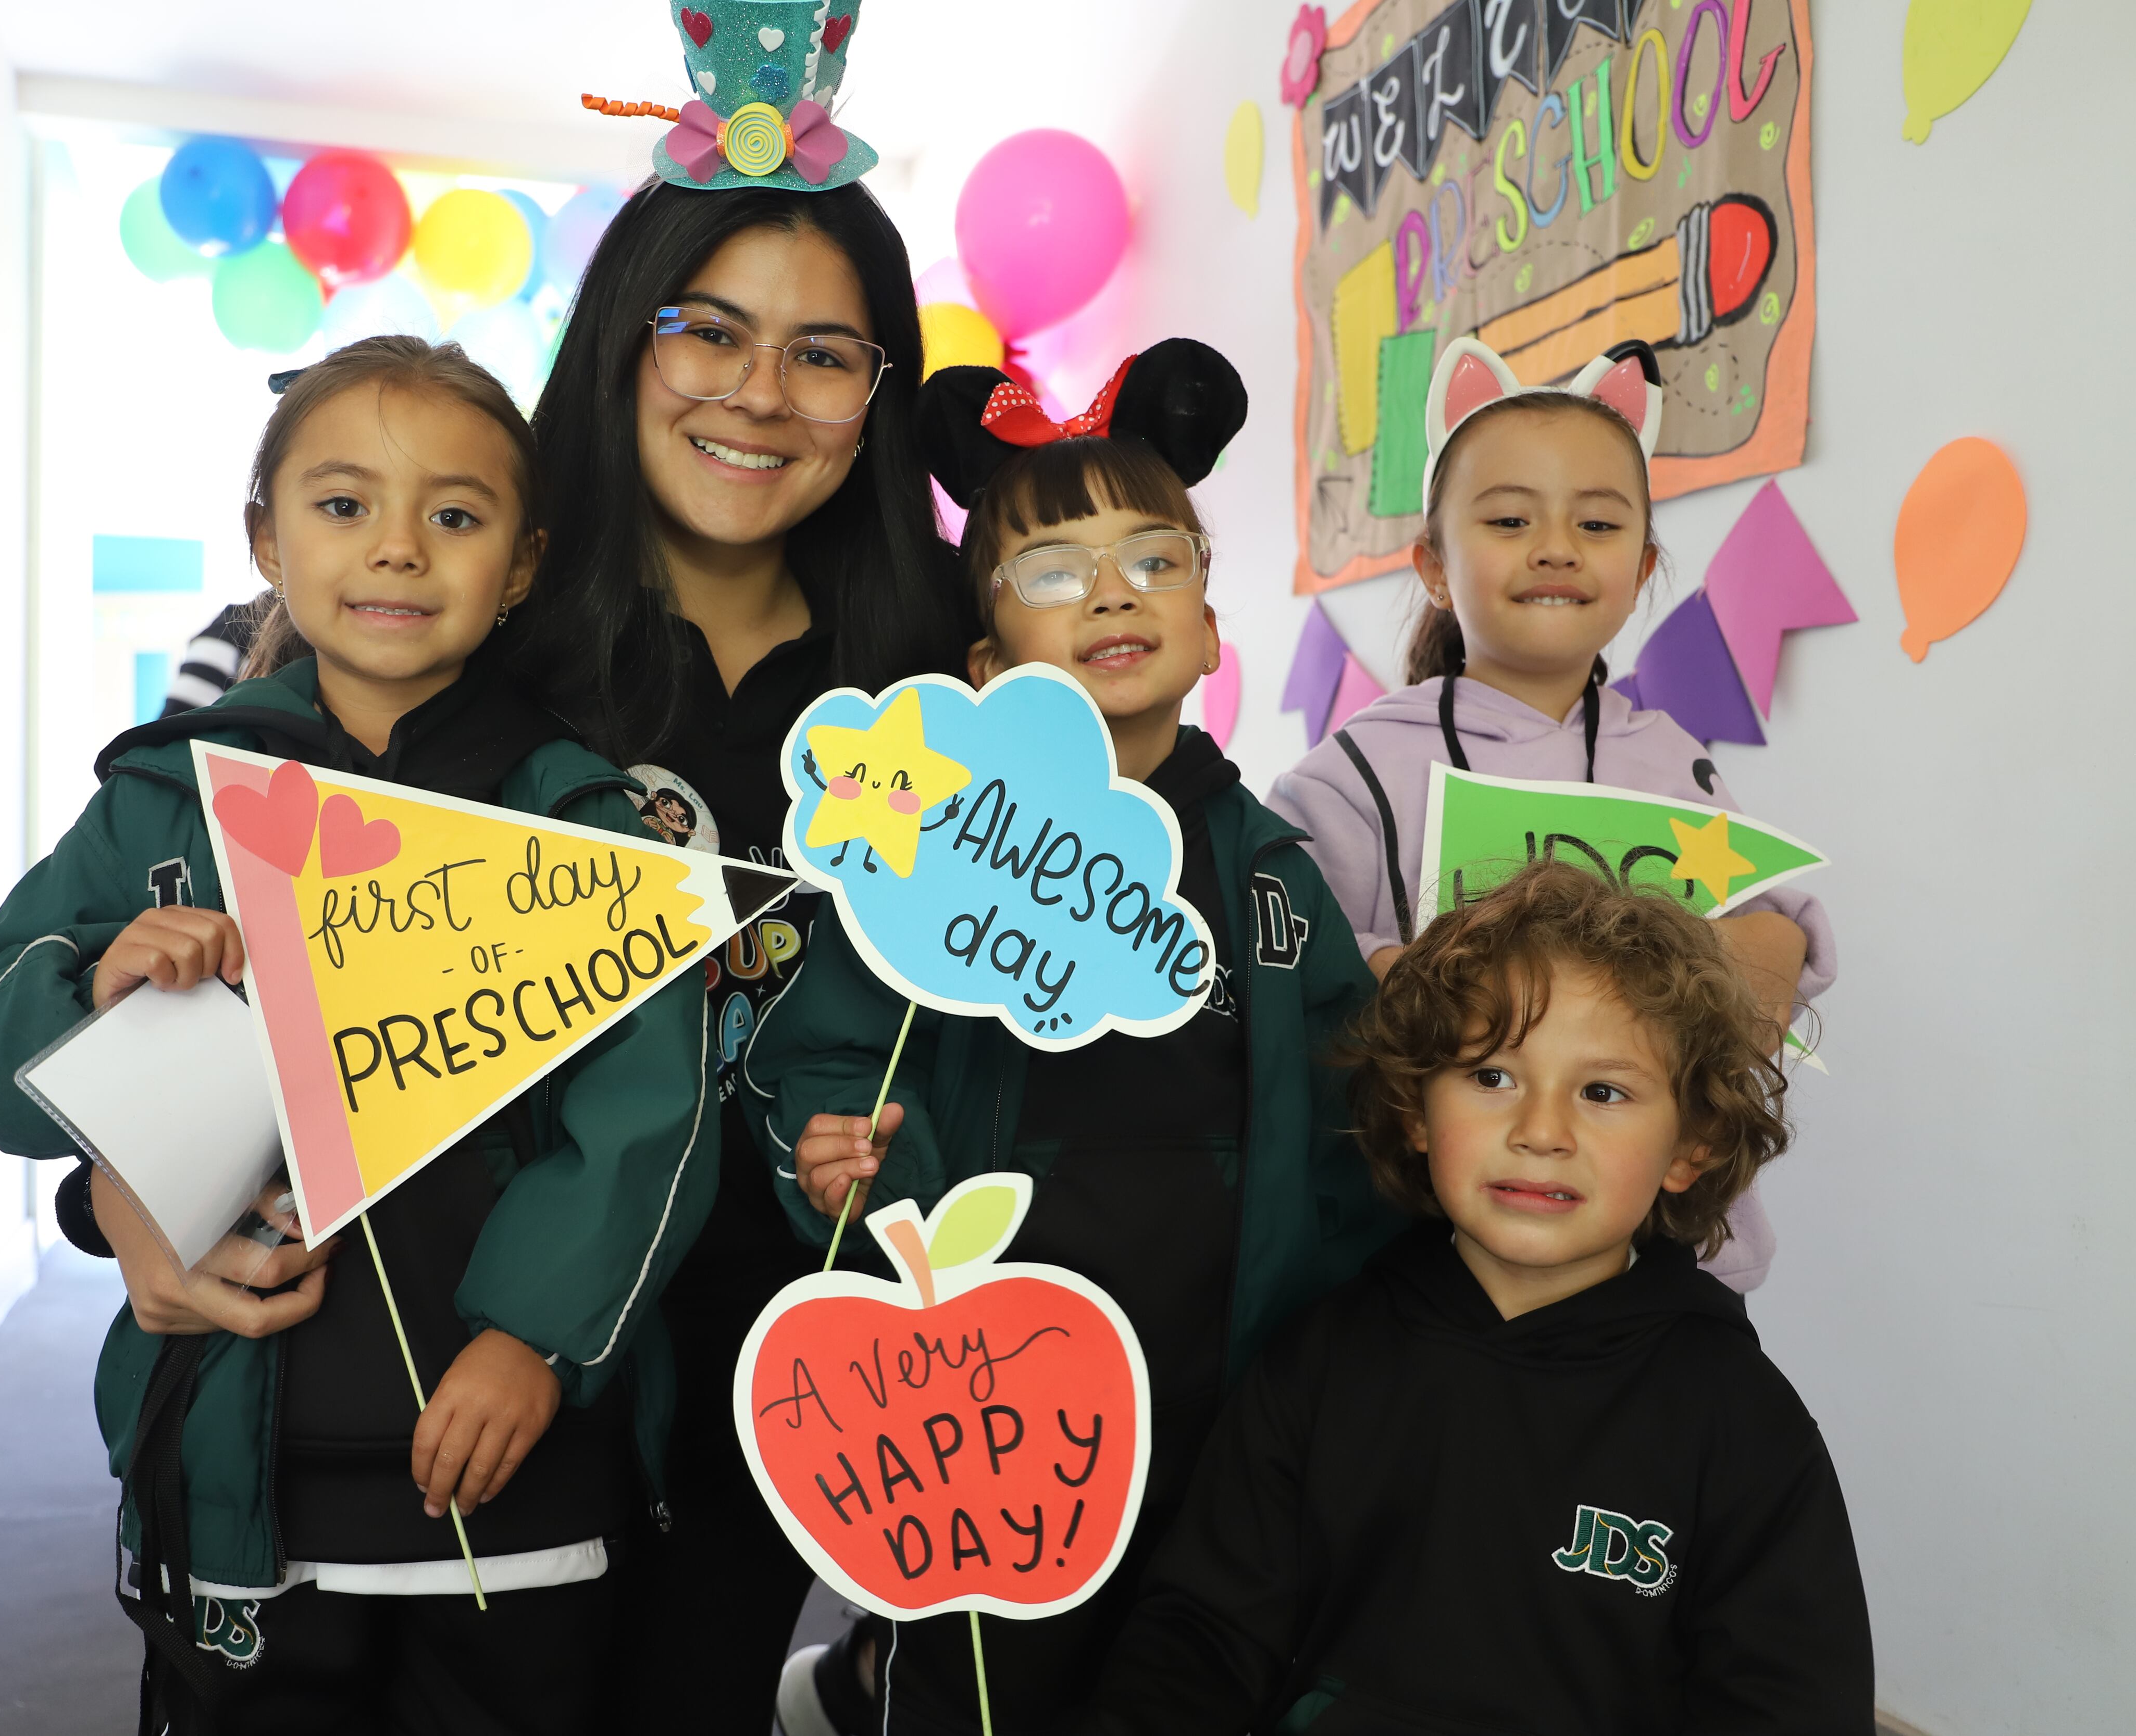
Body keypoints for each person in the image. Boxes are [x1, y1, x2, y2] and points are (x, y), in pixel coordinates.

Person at [0, 336, 716, 1735]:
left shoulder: (583, 821)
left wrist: (535, 1335)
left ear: (520, 564)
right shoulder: (167, 801)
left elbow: (650, 1110)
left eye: (454, 517)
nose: (399, 550)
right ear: (265, 539)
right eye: (346, 505)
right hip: (239, 1460)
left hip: (511, 1475)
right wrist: (98, 982)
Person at [752, 341, 1399, 1735]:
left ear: (1213, 625)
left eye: (1156, 559)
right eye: (1054, 570)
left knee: (1198, 1674)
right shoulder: (920, 855)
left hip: (1223, 1390)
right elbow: (825, 1062)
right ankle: (870, 1682)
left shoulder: (1276, 873)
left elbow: (1357, 1121)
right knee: (993, 1682)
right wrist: (843, 1159)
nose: (1113, 591)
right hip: (993, 1398)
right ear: (987, 657)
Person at [515, 10, 970, 1730]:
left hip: (770, 1380)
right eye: (709, 328)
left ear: (878, 395)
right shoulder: (468, 637)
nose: (758, 394)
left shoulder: (942, 691)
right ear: (627, 337)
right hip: (473, 1351)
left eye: (825, 354)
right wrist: (124, 1197)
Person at [1083, 861, 1875, 1736]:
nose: (1541, 1131)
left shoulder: (1741, 1422)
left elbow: (1791, 1703)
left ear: (1689, 1147)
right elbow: (1199, 1643)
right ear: (1417, 1110)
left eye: (1603, 1092)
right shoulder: (1320, 1358)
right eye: (1492, 1076)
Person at [1266, 336, 1832, 1293]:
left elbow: (1777, 946)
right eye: (1509, 518)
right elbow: (1295, 960)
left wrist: (1755, 963)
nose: (1557, 547)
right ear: (1436, 566)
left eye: (1599, 525)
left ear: (1645, 566)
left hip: (1652, 1262)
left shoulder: (1669, 761)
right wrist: (1437, 995)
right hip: (1426, 1261)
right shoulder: (1359, 769)